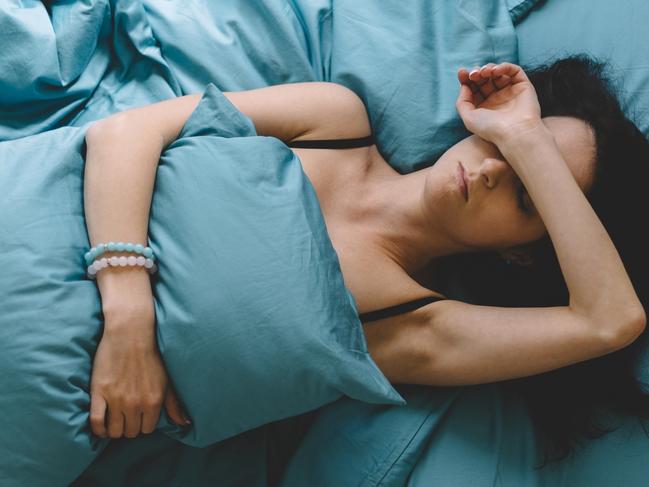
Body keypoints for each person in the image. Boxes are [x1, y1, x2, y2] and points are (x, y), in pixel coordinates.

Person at [82, 55, 648, 466]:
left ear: (521, 254)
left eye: (527, 192)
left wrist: (528, 136)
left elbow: (610, 321)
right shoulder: (335, 120)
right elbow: (126, 132)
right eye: (498, 144)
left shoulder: (415, 326)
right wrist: (128, 311)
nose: (492, 170)